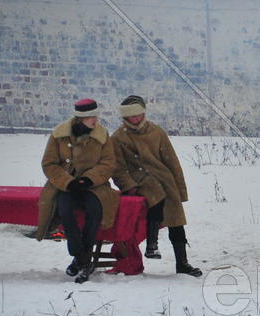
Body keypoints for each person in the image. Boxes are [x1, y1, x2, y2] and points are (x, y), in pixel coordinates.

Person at [111, 95, 202, 277]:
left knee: (176, 222)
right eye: (131, 116)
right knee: (155, 193)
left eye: (138, 114)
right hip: (140, 181)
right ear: (125, 117)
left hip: (164, 180)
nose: (135, 118)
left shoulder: (156, 132)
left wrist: (180, 190)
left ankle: (182, 263)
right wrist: (129, 186)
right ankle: (152, 245)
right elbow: (118, 169)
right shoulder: (118, 138)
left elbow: (172, 161)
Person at [37, 98, 119, 283]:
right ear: (81, 118)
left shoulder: (102, 135)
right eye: (91, 117)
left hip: (95, 186)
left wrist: (89, 179)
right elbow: (49, 164)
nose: (95, 120)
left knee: (95, 210)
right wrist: (68, 182)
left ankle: (81, 260)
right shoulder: (59, 135)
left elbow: (108, 163)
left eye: (96, 116)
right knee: (65, 209)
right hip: (67, 185)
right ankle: (82, 257)